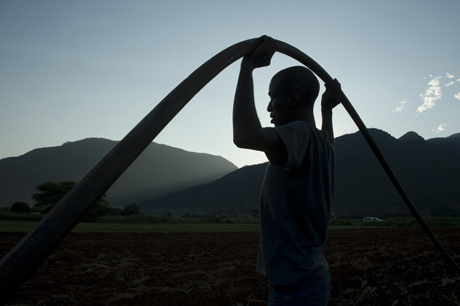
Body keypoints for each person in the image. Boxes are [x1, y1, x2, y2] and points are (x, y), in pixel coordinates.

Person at [232, 35, 342, 306]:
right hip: (312, 277)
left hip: (296, 289)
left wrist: (247, 67)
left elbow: (245, 136)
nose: (269, 107)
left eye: (272, 99)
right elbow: (327, 139)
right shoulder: (319, 142)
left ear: (293, 99)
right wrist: (326, 109)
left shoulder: (297, 133)